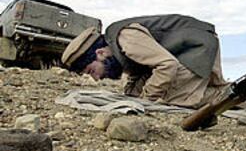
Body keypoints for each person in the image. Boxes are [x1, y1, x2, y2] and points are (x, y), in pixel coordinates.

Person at [61, 14, 230, 109]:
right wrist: (130, 96)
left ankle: (235, 97)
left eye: (91, 71)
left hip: (194, 46)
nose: (96, 78)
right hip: (190, 47)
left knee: (177, 99)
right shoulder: (118, 49)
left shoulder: (126, 38)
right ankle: (236, 97)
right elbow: (139, 73)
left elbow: (166, 65)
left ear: (100, 52)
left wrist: (144, 100)